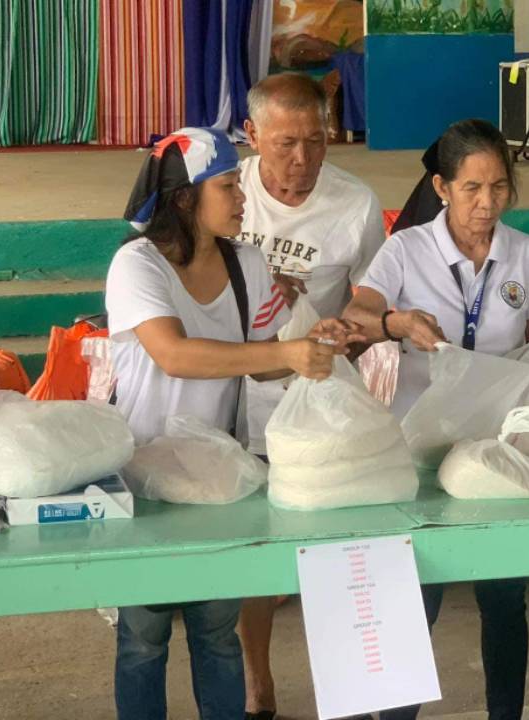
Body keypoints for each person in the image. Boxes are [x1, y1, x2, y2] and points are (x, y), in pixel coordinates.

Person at [108, 127, 360, 720]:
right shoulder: (136, 265)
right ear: (184, 198)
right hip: (142, 477)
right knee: (143, 639)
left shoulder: (247, 262)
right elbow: (176, 354)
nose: (243, 197)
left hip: (218, 481)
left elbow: (267, 365)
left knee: (217, 635)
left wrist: (311, 343)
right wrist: (283, 354)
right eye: (227, 185)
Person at [343, 118, 529, 720]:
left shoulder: (524, 254)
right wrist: (397, 323)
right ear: (442, 187)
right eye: (472, 188)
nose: (486, 203)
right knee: (416, 593)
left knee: (504, 596)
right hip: (419, 444)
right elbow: (358, 316)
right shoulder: (406, 249)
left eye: (499, 187)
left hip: (498, 449)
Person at [233, 73, 384, 720]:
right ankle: (257, 685)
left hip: (314, 397)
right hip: (232, 393)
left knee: (329, 547)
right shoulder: (224, 192)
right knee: (252, 552)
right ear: (253, 137)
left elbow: (372, 301)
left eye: (317, 142)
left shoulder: (354, 203)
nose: (303, 161)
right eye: (286, 144)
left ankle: (347, 687)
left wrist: (341, 331)